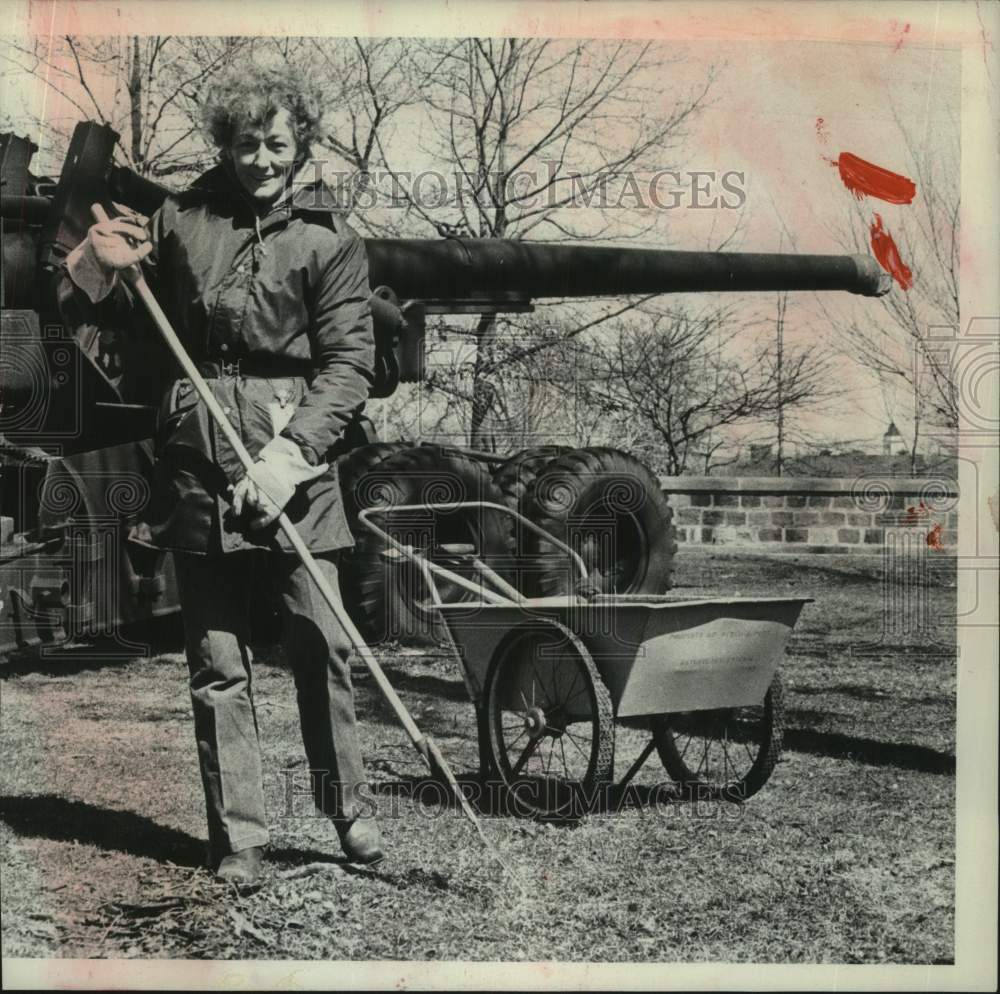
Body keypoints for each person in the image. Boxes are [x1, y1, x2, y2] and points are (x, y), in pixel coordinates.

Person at [61, 65, 381, 888]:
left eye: (278, 144)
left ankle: (346, 808)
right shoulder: (180, 220)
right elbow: (106, 312)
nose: (263, 160)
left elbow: (349, 367)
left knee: (321, 644)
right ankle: (238, 835)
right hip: (198, 459)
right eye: (248, 144)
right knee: (217, 660)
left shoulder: (331, 240)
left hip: (294, 466)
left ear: (301, 144)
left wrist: (288, 459)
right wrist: (92, 265)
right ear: (225, 145)